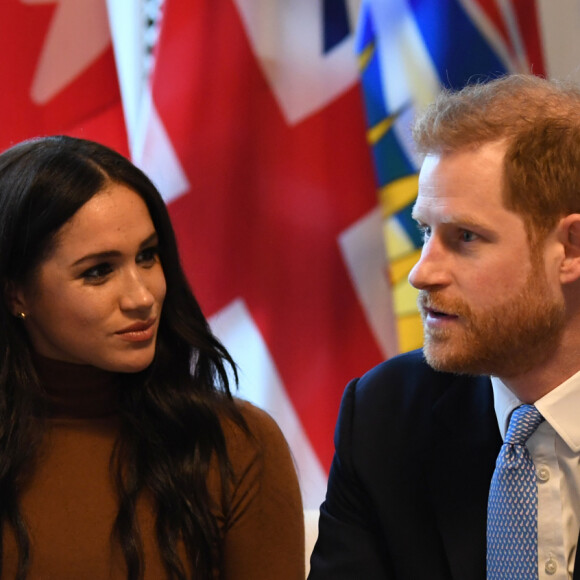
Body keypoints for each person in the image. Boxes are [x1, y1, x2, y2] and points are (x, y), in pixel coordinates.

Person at [309, 73, 580, 579]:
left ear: (570, 248)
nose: (421, 271)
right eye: (425, 231)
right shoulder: (384, 414)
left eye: (466, 238)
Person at [0, 135, 304, 579]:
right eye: (99, 271)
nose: (143, 296)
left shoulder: (235, 444)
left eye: (147, 256)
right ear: (16, 292)